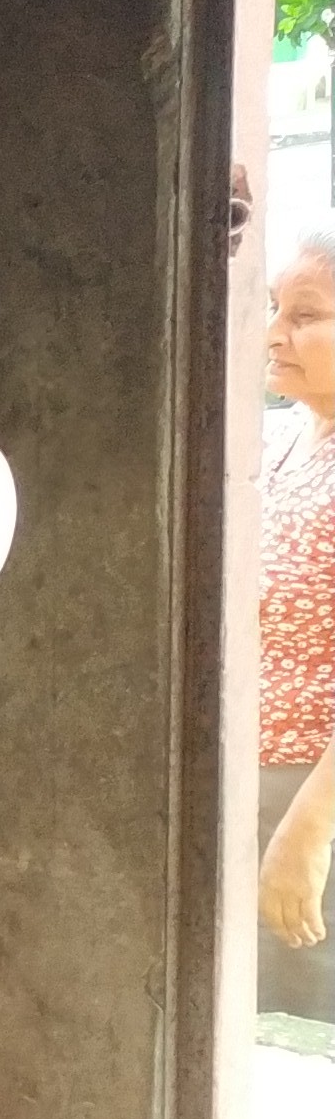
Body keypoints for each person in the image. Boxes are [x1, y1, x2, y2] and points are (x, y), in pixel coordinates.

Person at [257, 224, 335, 1022]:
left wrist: (310, 831)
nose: (274, 333)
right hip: (244, 785)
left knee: (306, 1032)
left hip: (315, 800)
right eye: (275, 308)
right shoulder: (273, 439)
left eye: (306, 314)